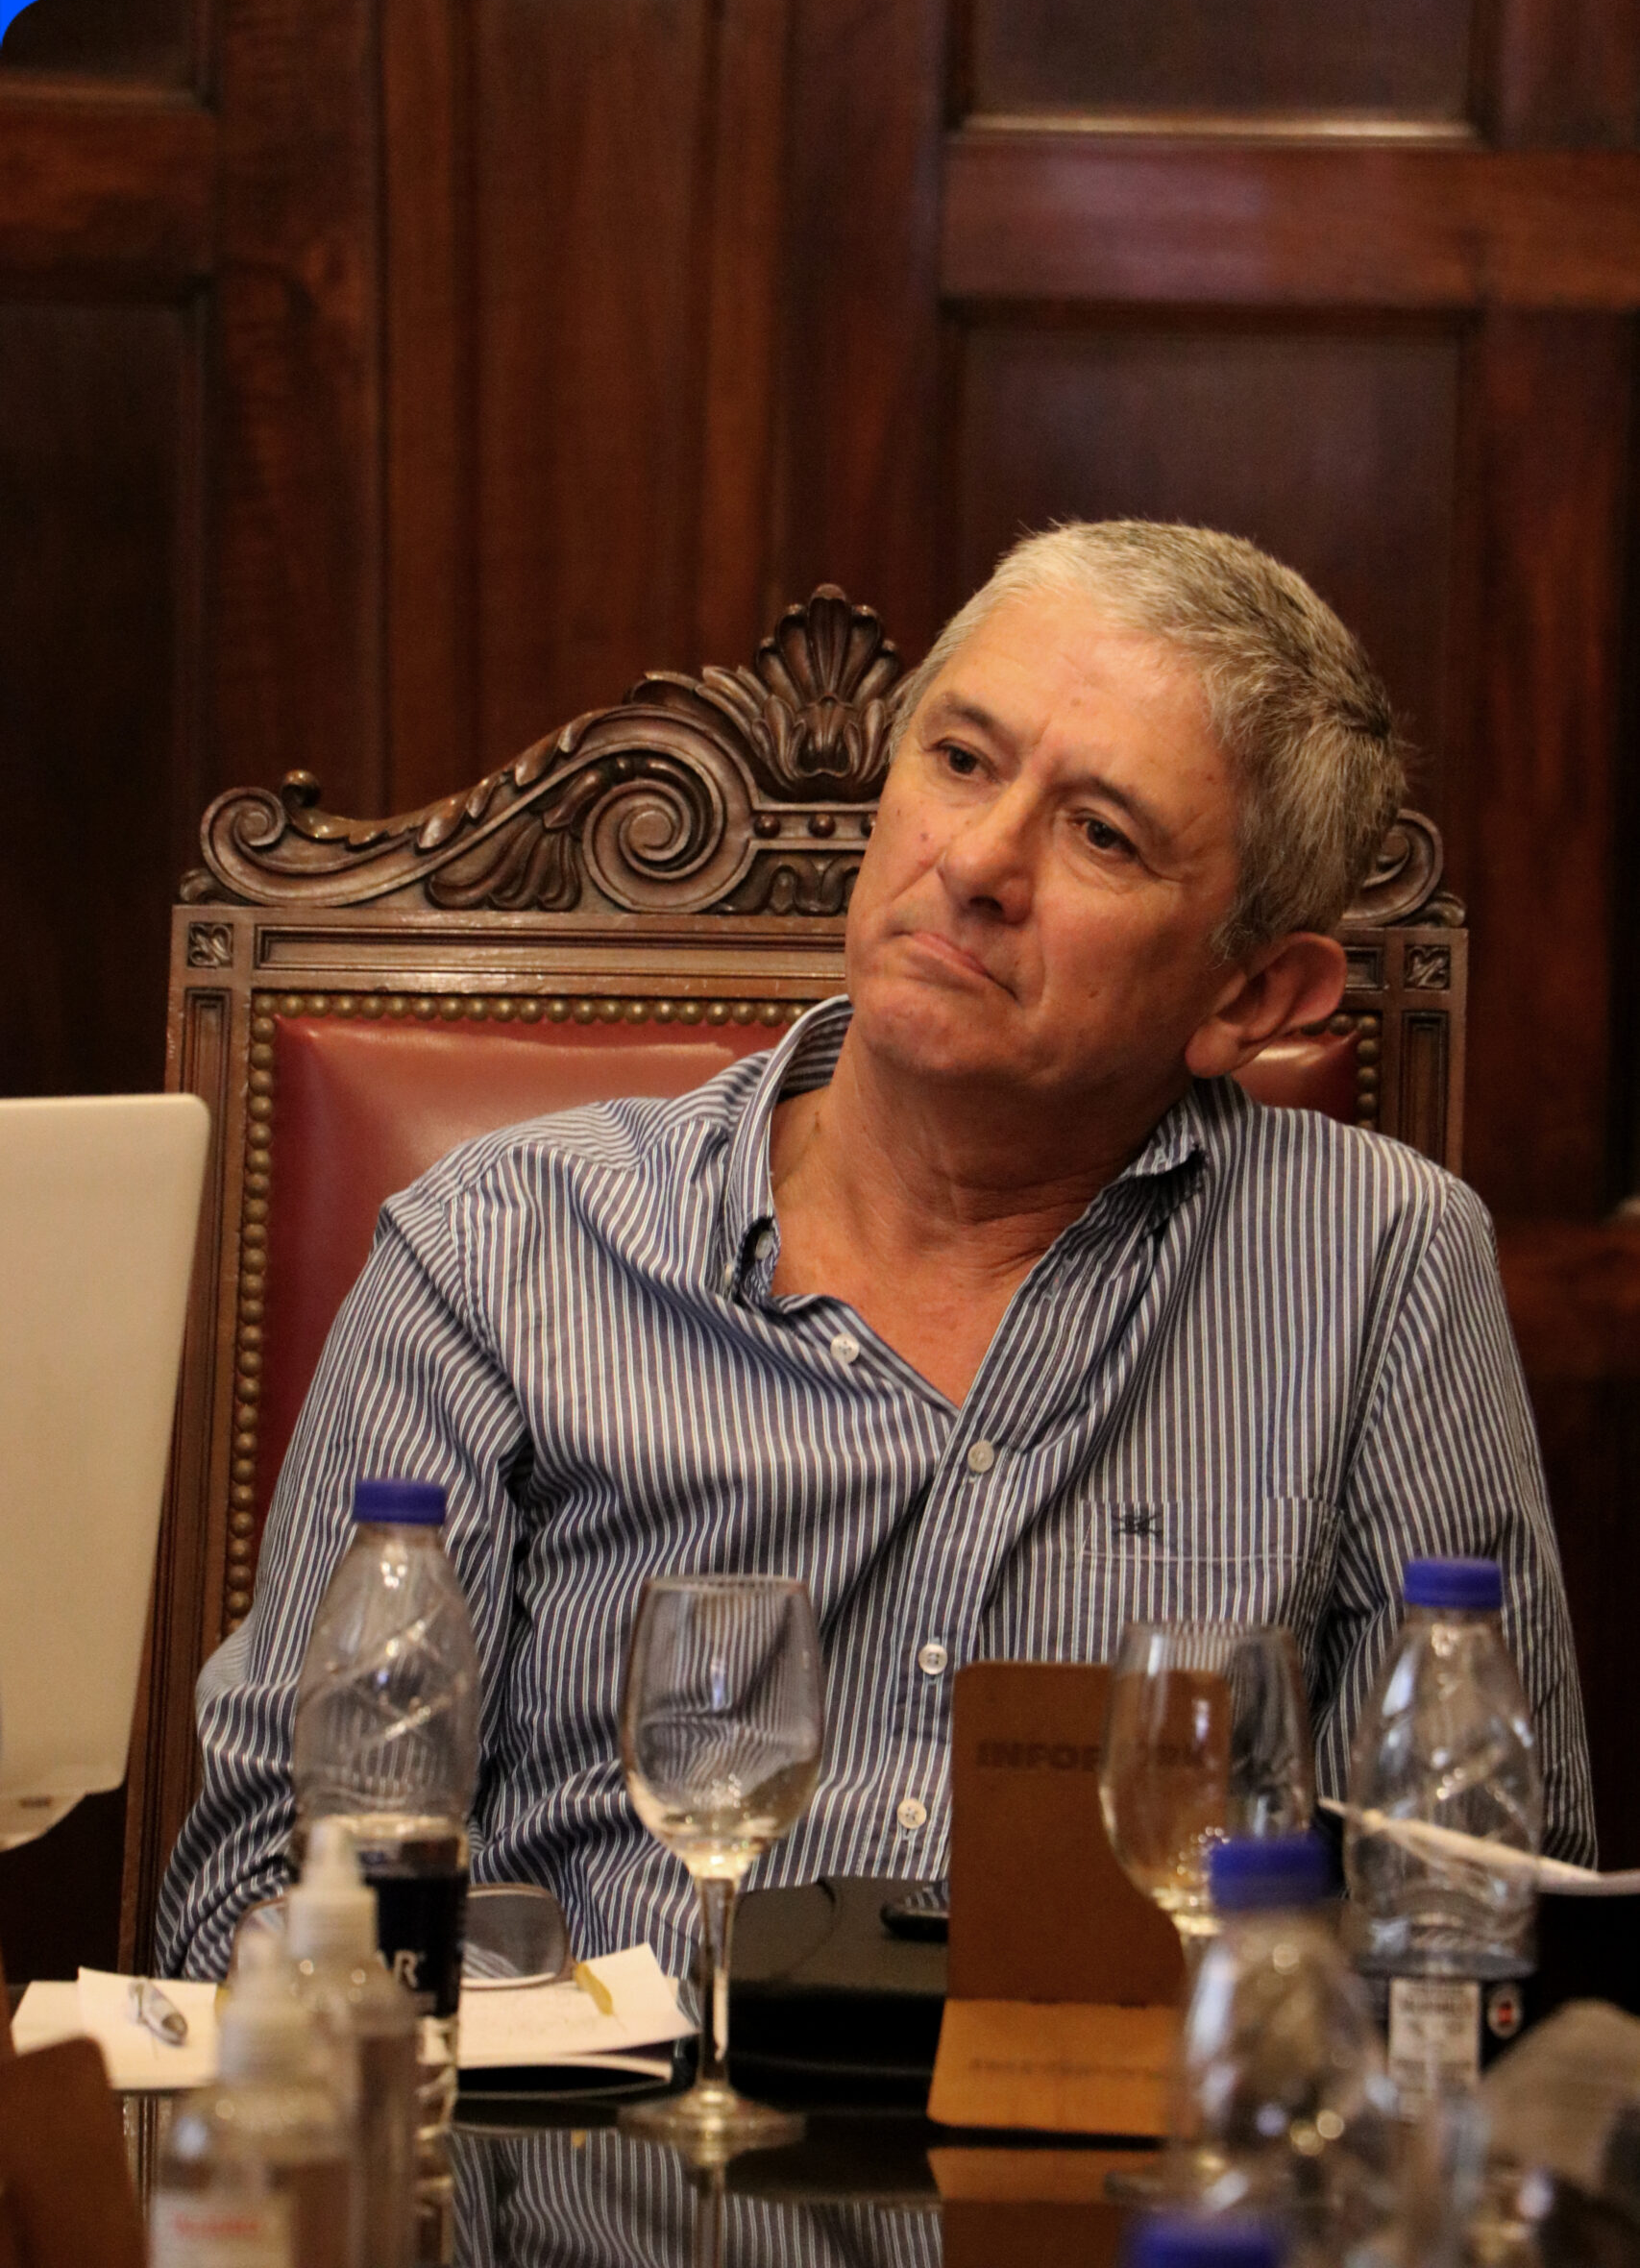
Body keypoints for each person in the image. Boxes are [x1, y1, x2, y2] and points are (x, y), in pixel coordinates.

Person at [158, 521, 1595, 1981]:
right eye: (961, 761)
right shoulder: (504, 1248)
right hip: (601, 2125)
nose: (975, 862)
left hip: (1127, 2128)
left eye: (1102, 834)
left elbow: (1480, 1929)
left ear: (1252, 995)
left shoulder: (1379, 1269)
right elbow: (252, 1906)